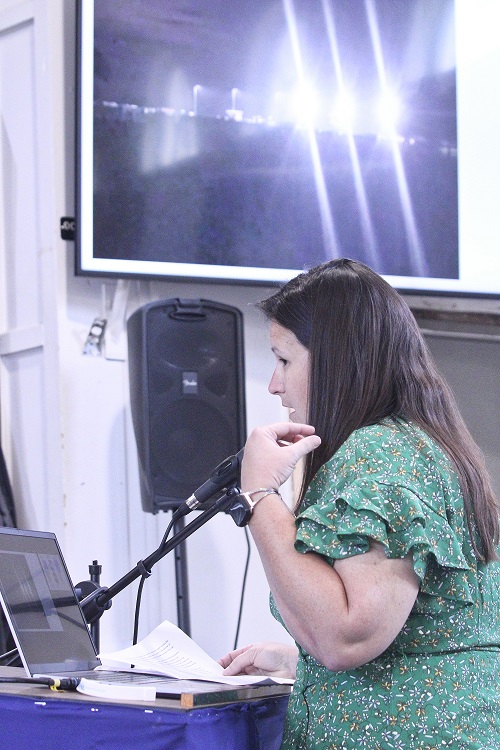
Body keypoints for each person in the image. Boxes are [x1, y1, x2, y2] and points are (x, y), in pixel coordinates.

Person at [218, 259, 500, 749]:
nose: (274, 384)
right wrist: (296, 661)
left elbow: (347, 636)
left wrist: (260, 496)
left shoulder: (378, 455)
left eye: (284, 360)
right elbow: (416, 635)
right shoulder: (418, 446)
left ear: (334, 360)